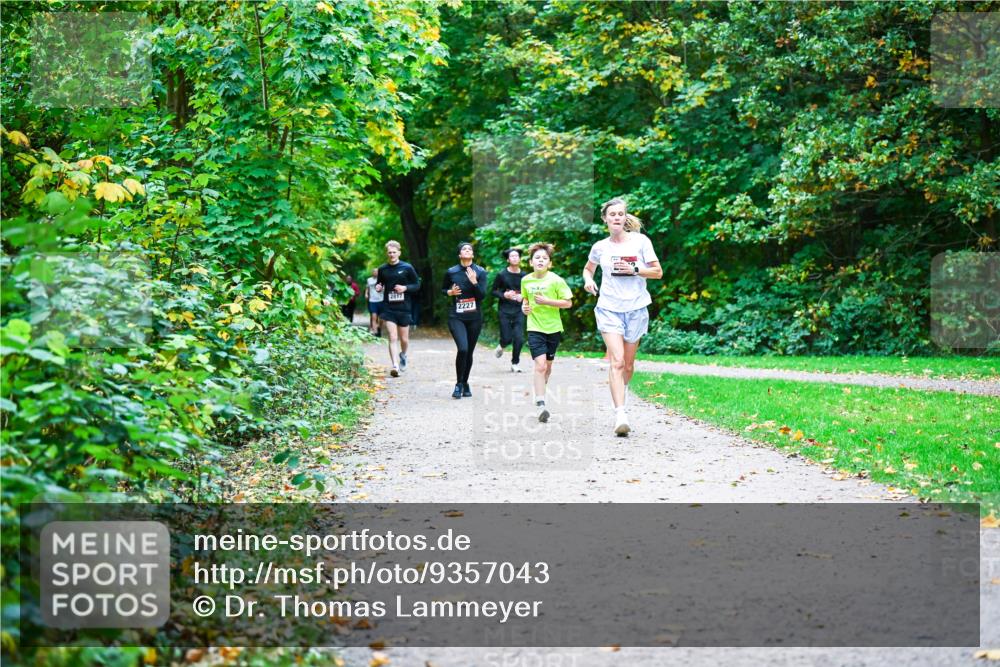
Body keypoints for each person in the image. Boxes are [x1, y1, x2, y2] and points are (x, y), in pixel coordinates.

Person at [582, 197, 663, 436]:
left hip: (636, 309)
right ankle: (620, 414)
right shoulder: (600, 247)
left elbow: (657, 272)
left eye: (620, 214)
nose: (616, 217)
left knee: (628, 364)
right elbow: (589, 268)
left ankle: (622, 393)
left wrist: (636, 269)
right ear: (605, 219)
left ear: (625, 217)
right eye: (612, 214)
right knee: (616, 361)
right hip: (608, 308)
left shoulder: (640, 242)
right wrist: (588, 281)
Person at [520, 243, 573, 423]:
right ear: (531, 262)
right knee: (540, 366)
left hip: (553, 328)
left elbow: (568, 303)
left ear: (549, 263)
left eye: (544, 258)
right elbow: (525, 302)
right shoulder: (526, 280)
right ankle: (541, 403)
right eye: (537, 258)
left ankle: (540, 391)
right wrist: (524, 308)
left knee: (548, 368)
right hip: (535, 328)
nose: (541, 261)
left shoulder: (556, 280)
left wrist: (547, 301)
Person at [442, 242, 488, 399]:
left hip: (474, 317)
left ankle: (465, 382)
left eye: (470, 249)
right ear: (459, 255)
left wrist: (474, 281)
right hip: (457, 316)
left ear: (473, 255)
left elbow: (482, 295)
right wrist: (450, 292)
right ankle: (458, 384)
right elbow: (443, 289)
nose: (467, 250)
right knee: (463, 349)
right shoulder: (451, 272)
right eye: (464, 249)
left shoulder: (480, 272)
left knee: (469, 352)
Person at [375, 240, 421, 377]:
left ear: (399, 253)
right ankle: (394, 365)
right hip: (388, 308)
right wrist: (379, 287)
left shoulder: (407, 267)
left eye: (394, 252)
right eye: (389, 252)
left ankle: (403, 355)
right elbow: (380, 283)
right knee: (392, 337)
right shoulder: (383, 269)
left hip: (404, 307)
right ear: (387, 253)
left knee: (404, 339)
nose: (392, 255)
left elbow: (417, 284)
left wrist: (405, 288)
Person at [491, 247, 526, 373]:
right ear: (508, 259)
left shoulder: (525, 276)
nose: (515, 258)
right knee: (506, 338)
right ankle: (502, 345)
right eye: (512, 256)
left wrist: (523, 296)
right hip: (504, 309)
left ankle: (515, 363)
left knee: (519, 338)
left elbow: (530, 292)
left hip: (519, 310)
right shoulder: (502, 274)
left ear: (520, 258)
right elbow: (494, 291)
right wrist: (504, 295)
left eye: (517, 256)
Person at [365, 268, 383, 336]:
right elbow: (367, 288)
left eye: (376, 271)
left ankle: (379, 329)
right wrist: (366, 294)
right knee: (373, 317)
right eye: (374, 271)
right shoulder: (369, 280)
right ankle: (375, 332)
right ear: (372, 273)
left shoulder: (382, 280)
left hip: (381, 300)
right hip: (372, 300)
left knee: (381, 318)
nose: (375, 273)